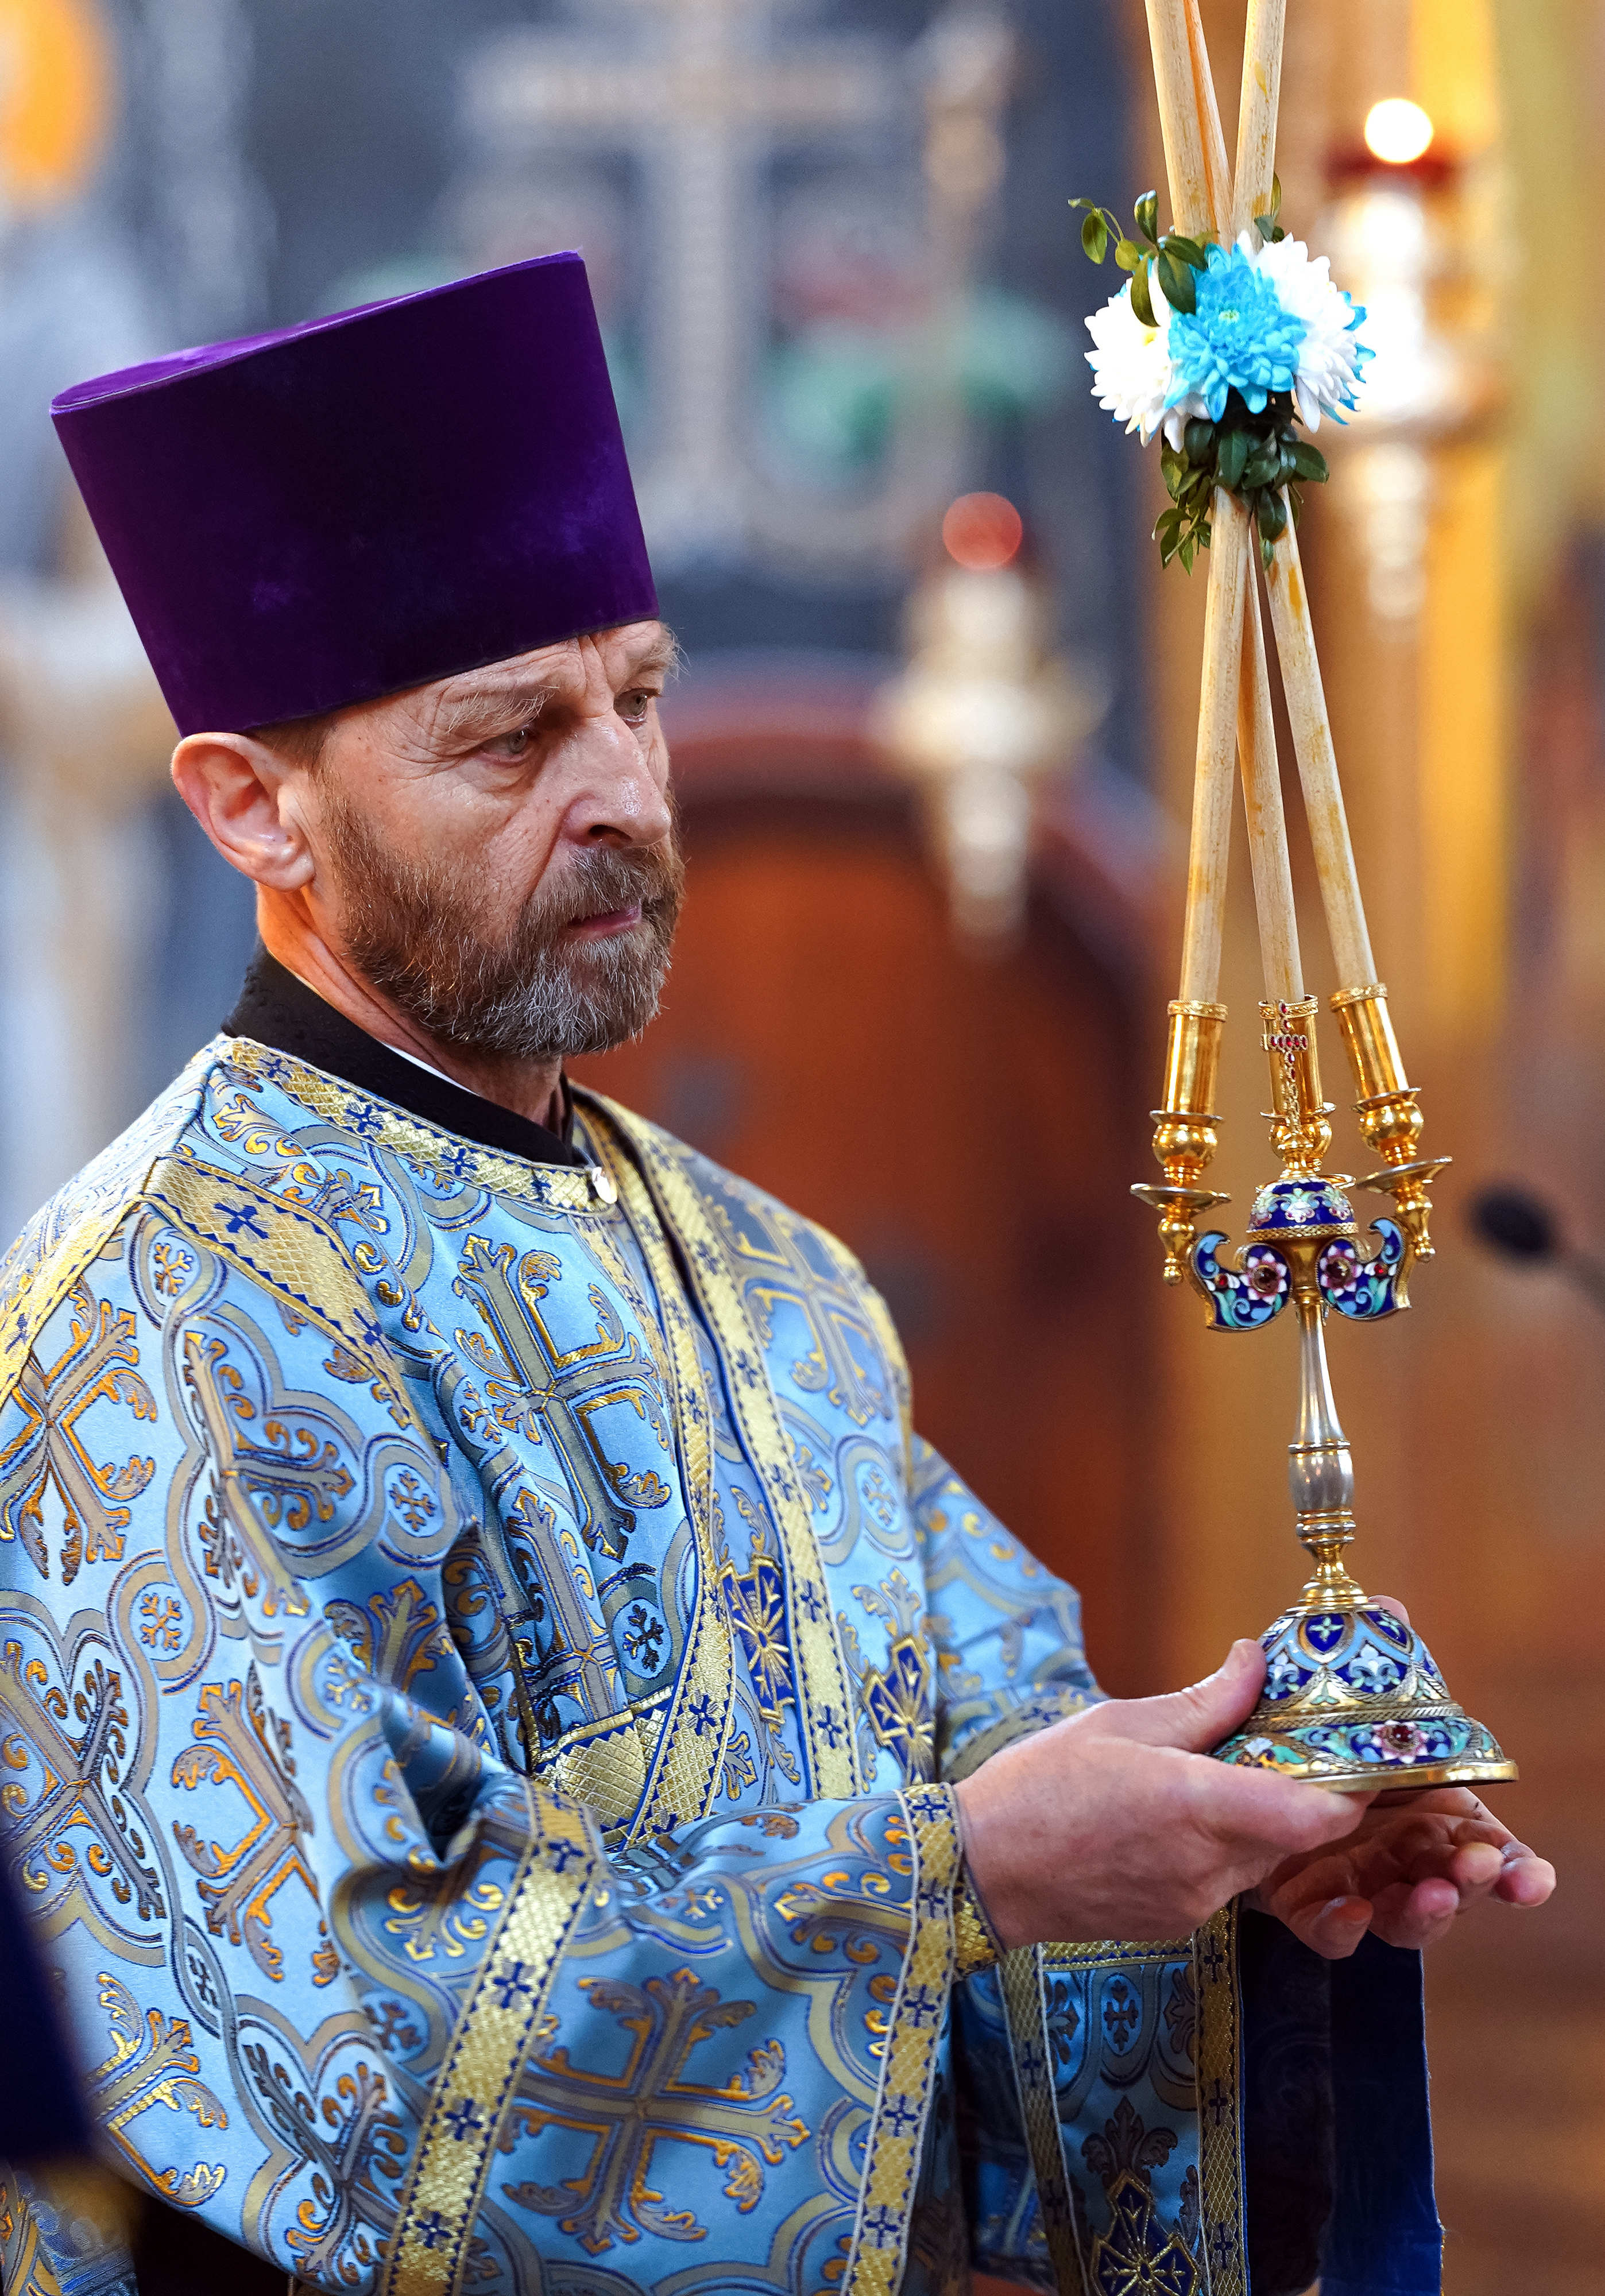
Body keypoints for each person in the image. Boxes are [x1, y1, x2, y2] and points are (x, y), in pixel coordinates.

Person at [0, 255, 1551, 2296]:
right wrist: (960, 1877)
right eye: (509, 738)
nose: (623, 794)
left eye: (637, 696)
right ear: (248, 807)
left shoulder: (775, 1281)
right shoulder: (154, 1320)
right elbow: (343, 2071)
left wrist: (1252, 1855)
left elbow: (1004, 1776)